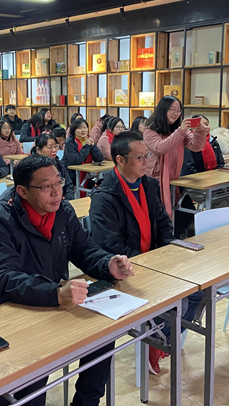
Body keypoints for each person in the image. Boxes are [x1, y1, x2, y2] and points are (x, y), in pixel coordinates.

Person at [0, 155, 135, 406]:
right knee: (32, 384)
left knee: (102, 336)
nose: (56, 192)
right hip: (19, 311)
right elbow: (4, 278)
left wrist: (108, 264)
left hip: (55, 302)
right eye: (46, 187)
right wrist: (54, 293)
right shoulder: (0, 221)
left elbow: (84, 249)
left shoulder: (63, 210)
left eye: (59, 183)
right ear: (22, 191)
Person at [89, 130, 202, 374]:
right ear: (120, 160)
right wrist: (149, 263)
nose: (145, 162)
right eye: (139, 157)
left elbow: (163, 223)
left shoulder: (148, 185)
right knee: (180, 299)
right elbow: (108, 244)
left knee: (198, 292)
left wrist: (170, 252)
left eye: (146, 156)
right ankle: (158, 336)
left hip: (153, 261)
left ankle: (160, 337)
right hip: (124, 269)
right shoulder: (104, 196)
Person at [142, 96, 207, 219]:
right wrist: (180, 131)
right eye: (172, 109)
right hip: (154, 180)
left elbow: (195, 147)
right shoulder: (149, 130)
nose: (176, 113)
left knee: (186, 216)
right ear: (163, 109)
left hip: (175, 179)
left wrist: (199, 132)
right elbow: (160, 148)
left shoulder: (179, 130)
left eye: (178, 110)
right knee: (159, 216)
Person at [61, 117, 103, 195]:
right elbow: (77, 160)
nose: (83, 130)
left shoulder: (88, 139)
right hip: (71, 174)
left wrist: (93, 146)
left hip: (87, 173)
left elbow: (99, 158)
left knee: (101, 186)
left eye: (85, 127)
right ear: (74, 130)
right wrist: (86, 146)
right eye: (80, 128)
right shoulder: (70, 142)